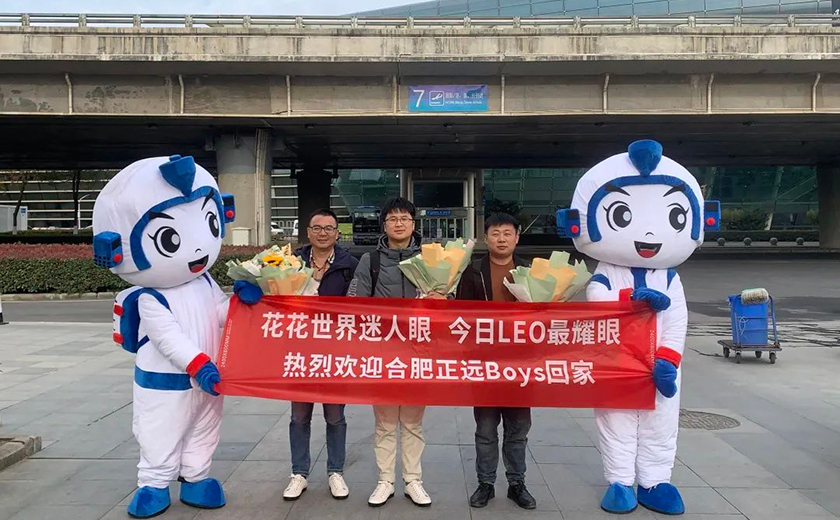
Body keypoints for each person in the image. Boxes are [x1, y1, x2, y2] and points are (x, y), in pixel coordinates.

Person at [561, 140, 717, 515]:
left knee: (660, 423)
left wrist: (669, 359)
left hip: (659, 365)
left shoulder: (670, 277)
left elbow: (677, 319)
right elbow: (598, 302)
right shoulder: (605, 272)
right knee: (615, 421)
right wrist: (634, 299)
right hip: (616, 362)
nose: (648, 234)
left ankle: (655, 480)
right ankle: (620, 481)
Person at [92, 155, 234, 518]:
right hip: (168, 380)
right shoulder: (150, 297)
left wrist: (239, 305)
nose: (198, 249)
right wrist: (198, 364)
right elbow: (168, 339)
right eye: (169, 239)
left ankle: (196, 476)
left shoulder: (204, 280)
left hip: (209, 376)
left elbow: (218, 311)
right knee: (162, 431)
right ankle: (154, 483)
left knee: (204, 428)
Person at [347, 196, 442, 508]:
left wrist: (442, 300)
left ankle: (413, 480)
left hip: (420, 353)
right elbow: (356, 306)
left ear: (414, 224)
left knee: (413, 423)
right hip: (383, 353)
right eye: (392, 218)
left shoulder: (431, 259)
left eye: (404, 218)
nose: (399, 224)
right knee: (385, 423)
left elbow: (450, 302)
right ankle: (385, 481)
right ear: (384, 224)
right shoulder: (370, 260)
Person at [456, 212, 537, 510]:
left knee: (518, 429)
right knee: (486, 428)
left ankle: (517, 484)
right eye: (495, 233)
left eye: (507, 233)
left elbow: (547, 314)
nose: (501, 239)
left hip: (521, 364)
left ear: (517, 236)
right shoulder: (473, 271)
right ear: (486, 237)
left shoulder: (531, 271)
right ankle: (485, 484)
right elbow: (460, 315)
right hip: (485, 364)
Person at [282, 208, 359, 501]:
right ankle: (299, 474)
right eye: (317, 227)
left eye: (329, 228)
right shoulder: (290, 262)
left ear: (337, 233)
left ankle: (335, 472)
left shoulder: (350, 265)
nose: (323, 233)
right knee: (299, 416)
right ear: (308, 232)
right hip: (300, 352)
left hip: (335, 353)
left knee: (335, 416)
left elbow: (358, 306)